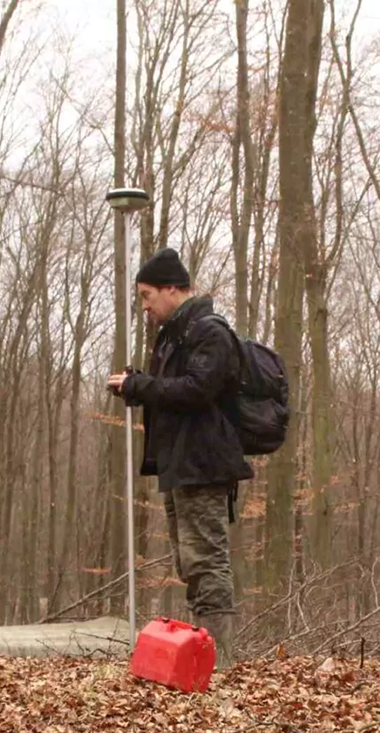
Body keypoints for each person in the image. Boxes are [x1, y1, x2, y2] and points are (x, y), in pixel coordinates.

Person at [107, 248, 252, 668]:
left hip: (204, 464)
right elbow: (170, 391)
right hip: (179, 464)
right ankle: (203, 656)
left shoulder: (209, 331)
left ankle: (218, 661)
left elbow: (195, 390)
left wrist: (142, 386)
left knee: (207, 558)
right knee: (190, 561)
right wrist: (136, 385)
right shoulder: (174, 334)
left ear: (173, 288)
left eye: (149, 295)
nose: (145, 305)